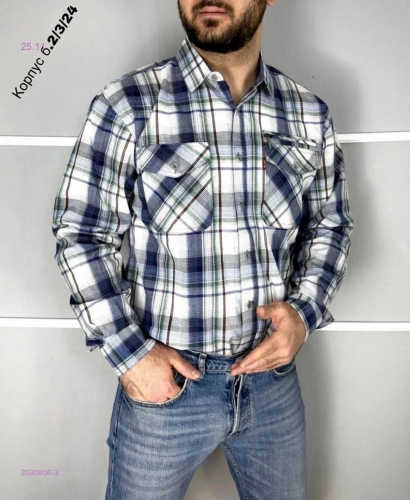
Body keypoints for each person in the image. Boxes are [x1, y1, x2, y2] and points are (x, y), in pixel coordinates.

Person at [52, 0, 354, 498]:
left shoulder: (307, 114)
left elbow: (330, 224)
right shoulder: (127, 105)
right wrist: (132, 357)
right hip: (167, 389)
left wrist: (303, 315)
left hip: (273, 384)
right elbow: (82, 233)